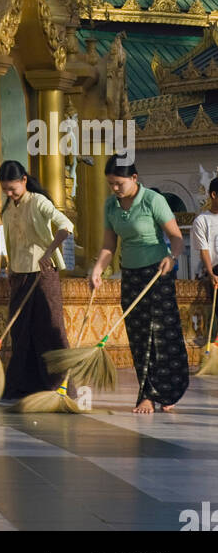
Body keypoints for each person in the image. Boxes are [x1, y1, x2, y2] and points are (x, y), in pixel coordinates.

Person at [90, 157, 189, 414]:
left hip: (158, 273)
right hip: (132, 276)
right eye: (111, 184)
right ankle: (146, 394)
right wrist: (98, 269)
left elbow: (176, 237)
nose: (115, 189)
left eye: (119, 183)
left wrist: (172, 257)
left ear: (134, 178)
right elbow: (109, 246)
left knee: (163, 334)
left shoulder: (152, 201)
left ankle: (167, 391)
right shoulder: (111, 205)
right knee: (139, 336)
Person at [0, 160, 73, 401]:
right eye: (5, 190)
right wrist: (9, 269)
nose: (10, 194)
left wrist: (49, 252)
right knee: (20, 330)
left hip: (43, 273)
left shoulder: (39, 202)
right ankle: (23, 387)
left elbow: (66, 226)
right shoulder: (8, 208)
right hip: (19, 274)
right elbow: (11, 241)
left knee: (50, 328)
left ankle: (60, 386)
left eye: (13, 189)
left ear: (24, 181)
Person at [191, 178, 218, 290]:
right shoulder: (201, 221)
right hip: (215, 270)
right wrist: (211, 274)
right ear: (213, 194)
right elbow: (204, 251)